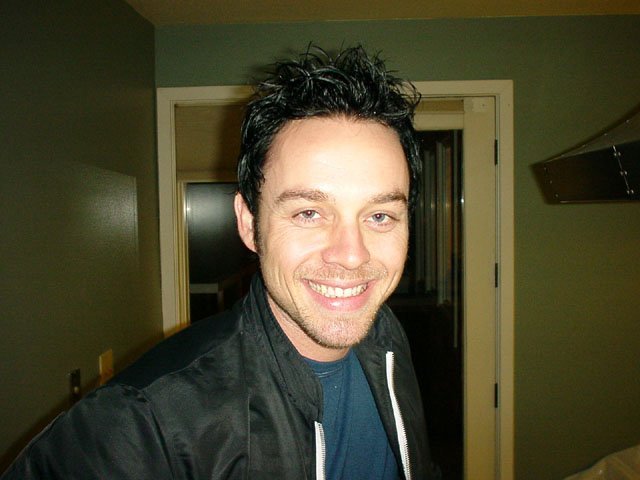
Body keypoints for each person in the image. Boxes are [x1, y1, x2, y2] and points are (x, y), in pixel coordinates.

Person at [2, 45, 439, 479]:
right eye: (309, 213)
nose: (351, 254)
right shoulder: (141, 424)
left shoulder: (385, 338)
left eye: (380, 216)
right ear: (249, 224)